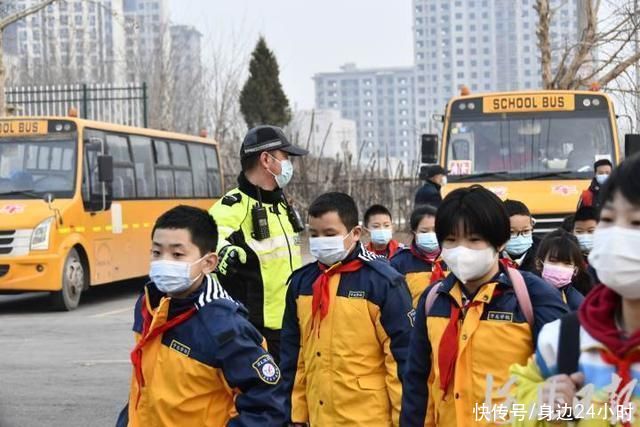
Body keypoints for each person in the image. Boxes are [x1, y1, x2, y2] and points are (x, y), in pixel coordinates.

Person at [400, 185, 568, 427]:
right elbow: (417, 383)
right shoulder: (433, 300)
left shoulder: (532, 296)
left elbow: (565, 381)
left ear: (500, 242)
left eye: (474, 240)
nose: (461, 250)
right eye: (451, 240)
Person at [117, 206, 286, 427]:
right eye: (157, 252)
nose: (164, 262)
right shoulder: (149, 303)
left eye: (177, 254)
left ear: (208, 263)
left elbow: (268, 402)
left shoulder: (224, 326)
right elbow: (143, 386)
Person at [510, 154, 640, 427]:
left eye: (635, 223)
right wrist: (542, 408)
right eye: (608, 218)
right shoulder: (563, 339)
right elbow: (518, 404)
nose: (617, 234)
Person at [280, 192, 414, 426]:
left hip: (368, 418)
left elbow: (401, 359)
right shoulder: (302, 283)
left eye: (330, 234)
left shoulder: (382, 283)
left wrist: (404, 420)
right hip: (318, 415)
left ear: (355, 233)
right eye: (314, 234)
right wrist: (296, 415)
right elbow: (294, 355)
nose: (321, 240)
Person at [209, 125, 308, 362]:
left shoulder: (282, 205)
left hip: (292, 324)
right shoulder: (232, 207)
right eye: (285, 157)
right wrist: (225, 253)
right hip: (254, 332)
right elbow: (206, 246)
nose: (288, 165)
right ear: (266, 159)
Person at [391, 204, 446, 306]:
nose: (431, 235)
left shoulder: (452, 260)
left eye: (436, 230)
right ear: (414, 232)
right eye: (424, 231)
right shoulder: (399, 263)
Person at [535, 229, 592, 311]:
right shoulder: (524, 292)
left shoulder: (578, 304)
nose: (559, 267)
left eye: (567, 263)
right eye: (553, 261)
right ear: (539, 263)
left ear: (575, 270)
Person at [502, 199, 539, 273]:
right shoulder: (490, 257)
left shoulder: (543, 252)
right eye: (511, 232)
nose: (520, 238)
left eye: (526, 231)